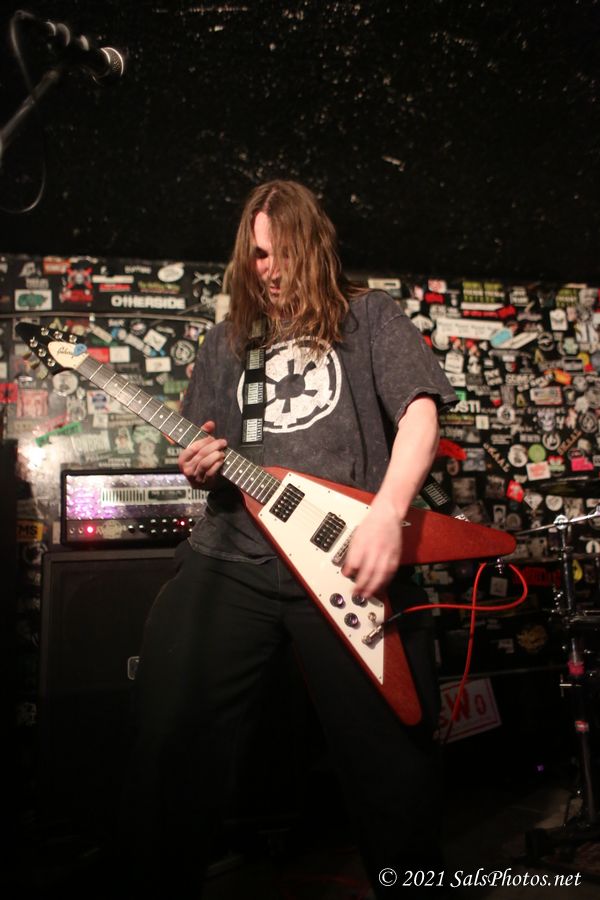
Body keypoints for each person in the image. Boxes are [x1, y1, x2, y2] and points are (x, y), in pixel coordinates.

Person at [121, 180, 457, 896]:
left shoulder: (369, 316)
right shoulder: (226, 343)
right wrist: (198, 463)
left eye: (279, 252)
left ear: (312, 244)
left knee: (393, 758)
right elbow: (204, 449)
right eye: (255, 255)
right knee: (170, 729)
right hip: (232, 555)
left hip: (345, 556)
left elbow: (421, 414)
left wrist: (387, 514)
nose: (266, 269)